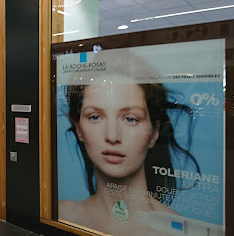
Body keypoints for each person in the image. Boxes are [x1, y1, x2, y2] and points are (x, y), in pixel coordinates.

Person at [58, 53, 199, 236]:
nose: (112, 136)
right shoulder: (62, 214)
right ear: (79, 129)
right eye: (95, 117)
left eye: (130, 119)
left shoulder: (180, 233)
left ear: (154, 133)